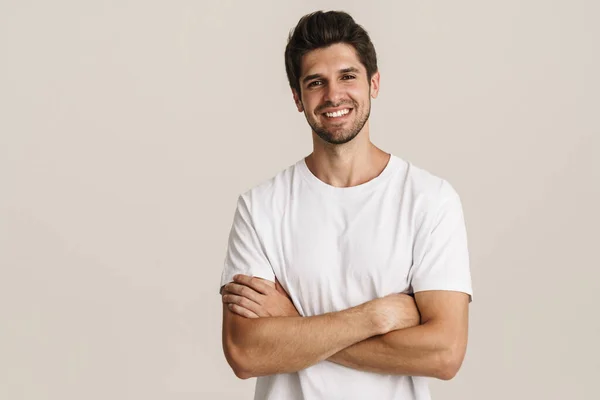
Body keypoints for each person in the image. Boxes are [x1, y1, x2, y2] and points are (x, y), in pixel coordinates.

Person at [219, 10, 473, 400]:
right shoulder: (261, 207)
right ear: (298, 99)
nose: (333, 95)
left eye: (347, 76)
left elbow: (445, 353)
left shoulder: (430, 200)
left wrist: (295, 325)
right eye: (315, 82)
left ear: (374, 83)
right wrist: (378, 316)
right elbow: (245, 352)